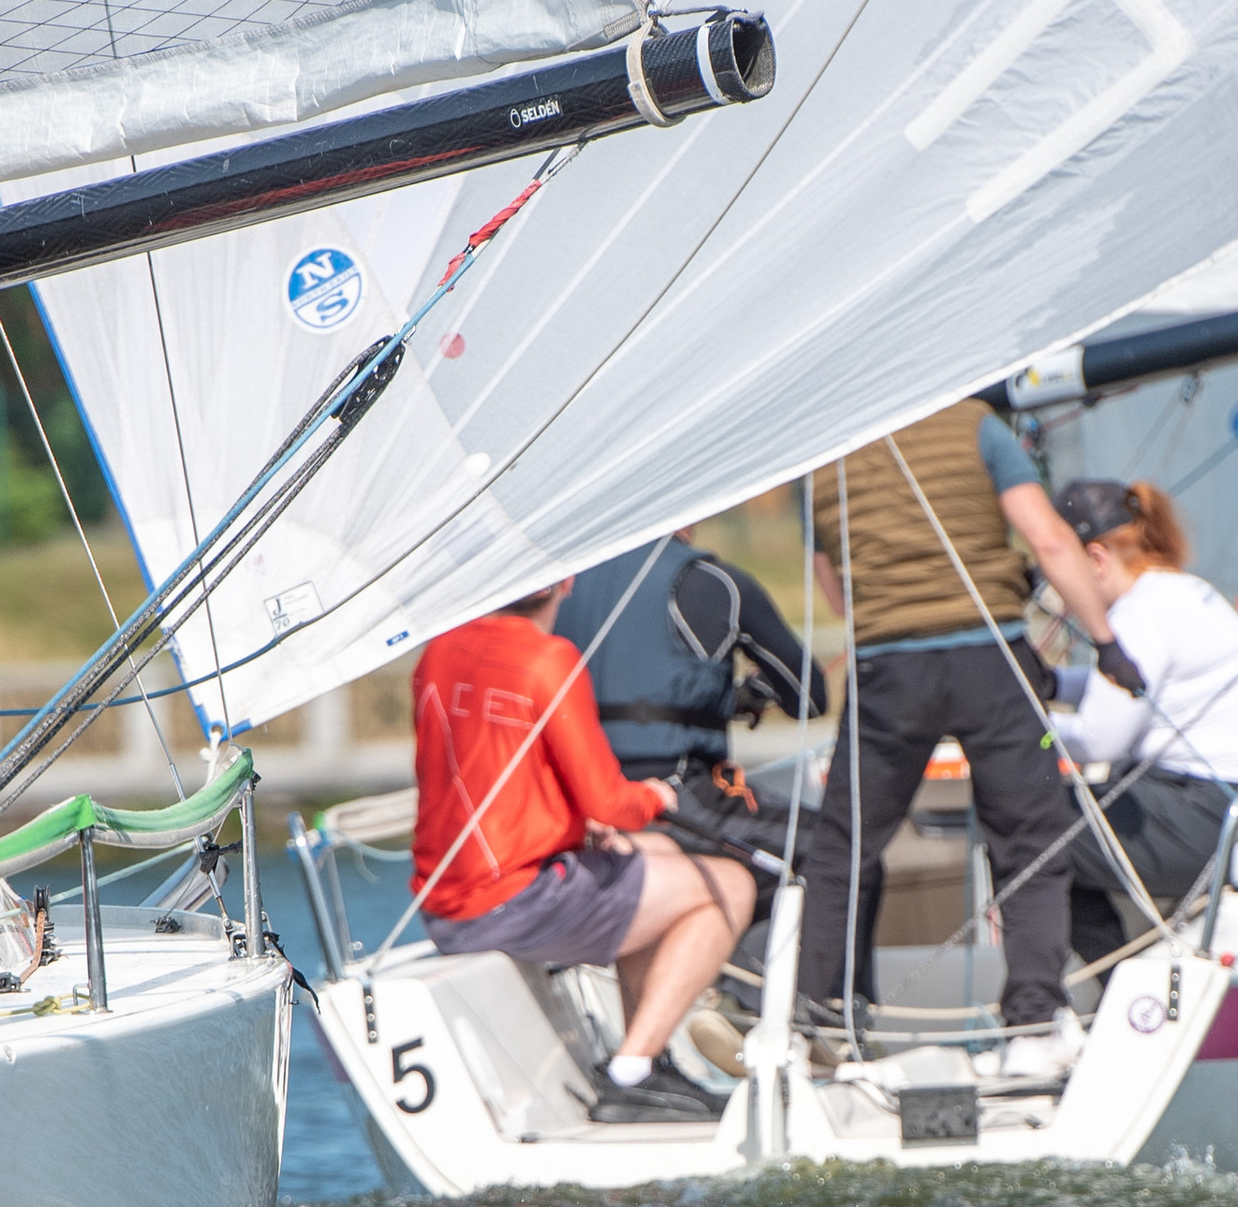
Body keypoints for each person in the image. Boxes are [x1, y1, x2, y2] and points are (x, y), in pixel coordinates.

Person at [795, 399, 1147, 1079]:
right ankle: (1033, 1025)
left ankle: (823, 1019)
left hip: (886, 667)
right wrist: (1104, 642)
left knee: (846, 844)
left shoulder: (830, 452)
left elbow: (836, 595)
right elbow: (1047, 539)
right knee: (1031, 839)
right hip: (986, 654)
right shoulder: (977, 427)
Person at [411, 577, 754, 1125]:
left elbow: (478, 774)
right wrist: (657, 794)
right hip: (514, 903)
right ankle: (631, 1076)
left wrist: (578, 825)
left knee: (659, 856)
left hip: (444, 905)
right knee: (732, 886)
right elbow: (611, 801)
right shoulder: (549, 659)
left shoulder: (441, 650)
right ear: (565, 583)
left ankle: (649, 1058)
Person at [558, 529, 828, 1074]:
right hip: (675, 798)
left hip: (586, 802)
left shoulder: (560, 585)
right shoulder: (711, 581)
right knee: (835, 849)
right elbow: (809, 697)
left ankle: (707, 1007)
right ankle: (764, 1006)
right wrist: (744, 697)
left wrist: (716, 700)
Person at [1046, 477, 1238, 968]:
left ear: (1094, 559)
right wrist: (1052, 685)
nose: (1056, 587)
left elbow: (1097, 740)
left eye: (1058, 568)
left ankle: (1106, 987)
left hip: (1204, 819)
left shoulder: (1138, 617)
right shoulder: (1180, 592)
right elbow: (1134, 689)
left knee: (1021, 828)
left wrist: (1032, 726)